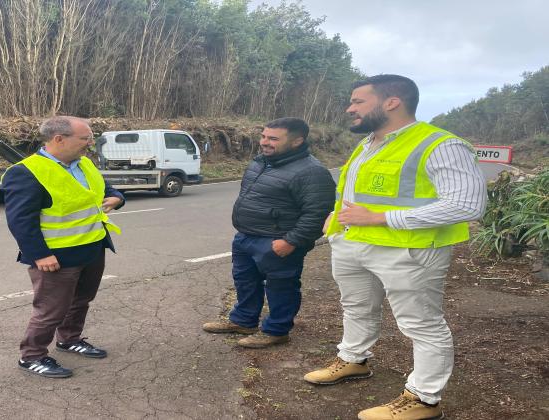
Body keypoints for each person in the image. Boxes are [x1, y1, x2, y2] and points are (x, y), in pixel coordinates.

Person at [303, 75, 487, 420]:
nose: (350, 108)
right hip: (353, 242)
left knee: (421, 324)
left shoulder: (441, 144)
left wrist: (381, 218)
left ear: (392, 102)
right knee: (356, 306)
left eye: (358, 101)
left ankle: (424, 399)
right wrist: (336, 214)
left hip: (409, 250)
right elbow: (360, 192)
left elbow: (467, 205)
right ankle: (353, 360)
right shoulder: (368, 143)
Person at [2, 116, 125, 378]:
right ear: (59, 139)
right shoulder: (26, 172)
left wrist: (117, 197)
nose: (90, 143)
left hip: (92, 248)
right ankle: (32, 356)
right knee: (50, 310)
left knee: (81, 301)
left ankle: (69, 339)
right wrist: (40, 255)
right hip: (56, 257)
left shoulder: (85, 164)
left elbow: (106, 190)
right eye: (85, 138)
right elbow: (20, 221)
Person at [202, 117, 336, 348]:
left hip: (279, 241)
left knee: (281, 286)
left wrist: (291, 241)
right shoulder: (261, 162)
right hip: (246, 236)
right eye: (263, 136)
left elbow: (317, 214)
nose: (265, 142)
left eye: (273, 138)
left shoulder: (312, 172)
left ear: (297, 141)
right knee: (245, 281)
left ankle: (276, 330)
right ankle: (243, 321)